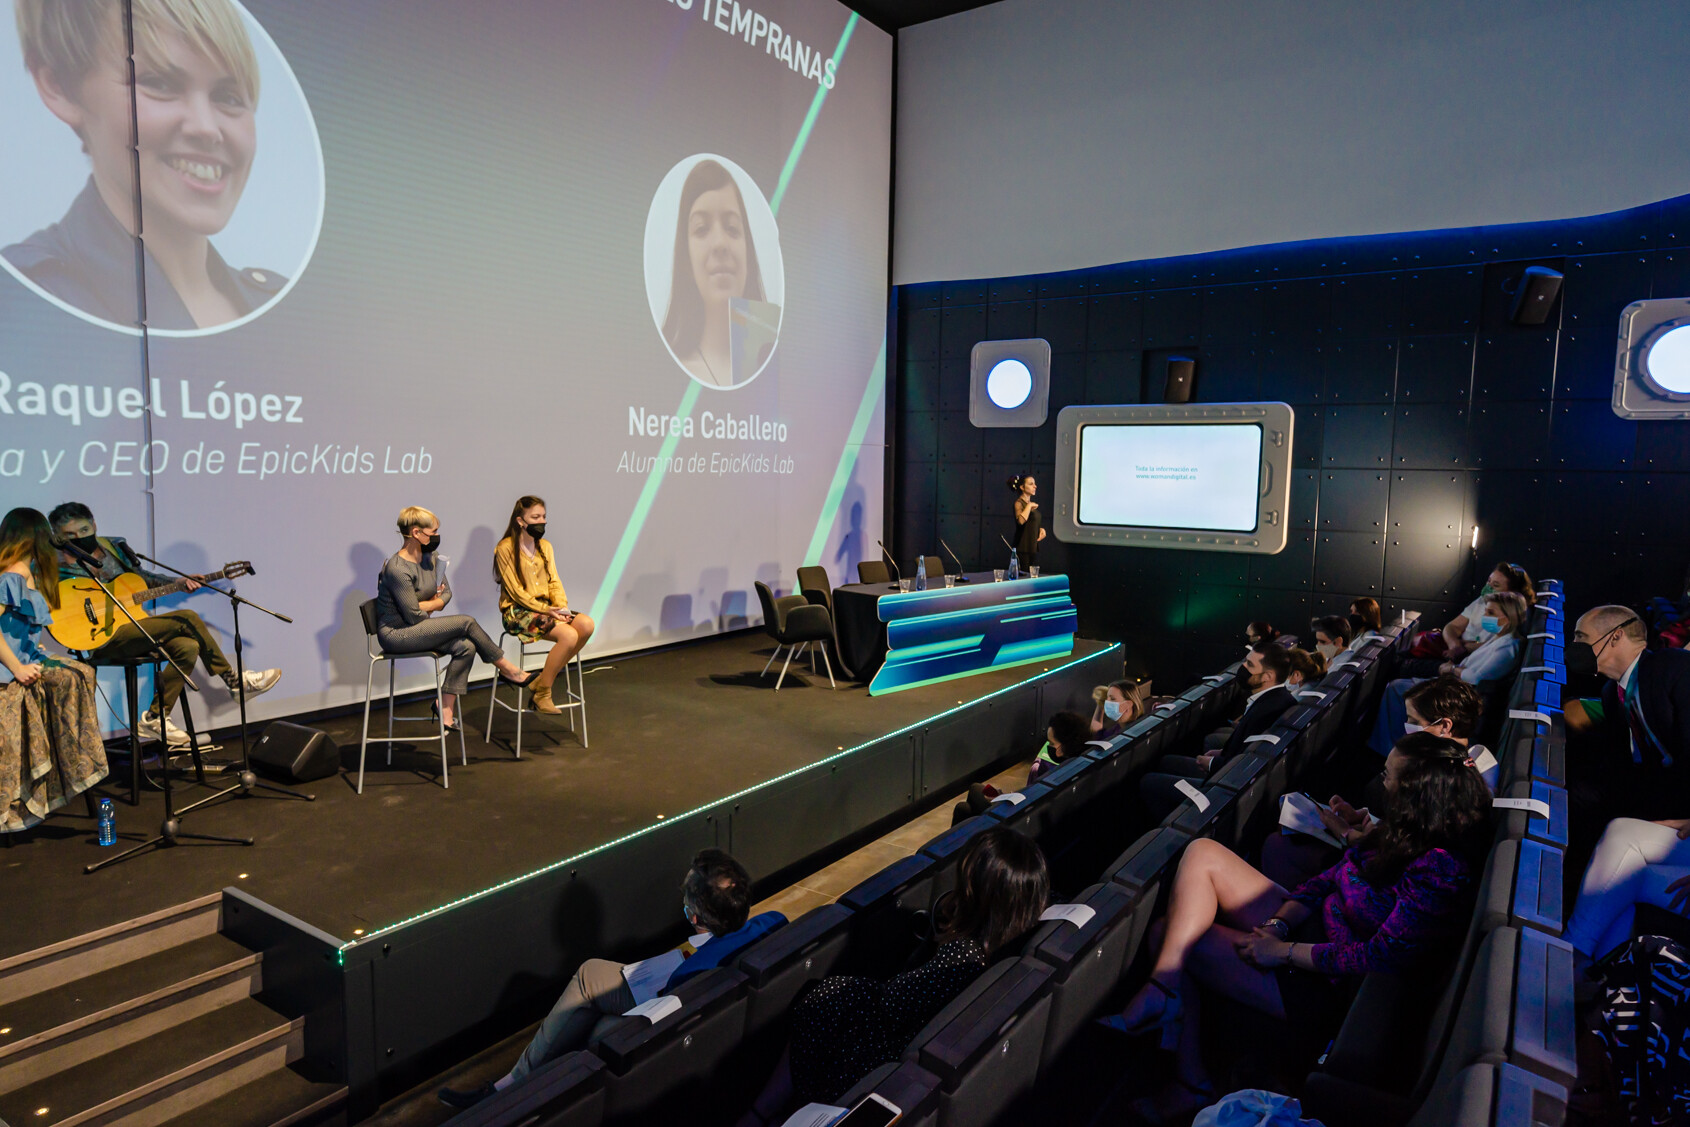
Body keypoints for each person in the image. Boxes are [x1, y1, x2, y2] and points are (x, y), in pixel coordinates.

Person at [1102, 733, 1490, 1123]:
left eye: (1389, 775)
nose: (1382, 779)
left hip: (1331, 981)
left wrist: (1282, 952)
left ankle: (1191, 1081)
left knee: (1165, 936)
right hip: (1318, 928)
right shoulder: (1406, 828)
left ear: (1415, 792)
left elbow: (1378, 957)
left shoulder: (1441, 866)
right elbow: (1333, 876)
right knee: (1201, 854)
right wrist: (1279, 924)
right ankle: (1163, 990)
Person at [740, 827, 1050, 1122]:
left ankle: (762, 1113)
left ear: (977, 898)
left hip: (878, 1060)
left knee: (818, 1004)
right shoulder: (1002, 947)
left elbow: (891, 1002)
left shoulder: (962, 954)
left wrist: (935, 938)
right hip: (906, 1043)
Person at [6, 0, 282, 329]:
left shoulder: (291, 314)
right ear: (61, 87)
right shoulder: (14, 302)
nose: (206, 127)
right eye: (160, 84)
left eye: (228, 97)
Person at [439, 849, 786, 1108]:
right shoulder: (773, 920)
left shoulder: (689, 973)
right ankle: (519, 1090)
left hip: (668, 1027)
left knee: (589, 1020)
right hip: (704, 996)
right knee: (590, 983)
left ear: (694, 917)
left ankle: (510, 1091)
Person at [49, 501, 279, 749]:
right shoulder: (49, 561)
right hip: (99, 638)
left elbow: (144, 580)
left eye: (84, 531)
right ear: (57, 536)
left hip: (132, 628)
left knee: (188, 646)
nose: (79, 538)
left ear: (94, 525)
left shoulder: (113, 547)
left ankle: (155, 718)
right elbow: (41, 598)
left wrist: (179, 581)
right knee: (187, 617)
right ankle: (234, 682)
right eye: (69, 535)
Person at [1265, 676, 1487, 890]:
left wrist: (1347, 833)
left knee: (1278, 845)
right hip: (1374, 843)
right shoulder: (1447, 760)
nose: (1406, 726)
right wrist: (1362, 816)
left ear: (1445, 726)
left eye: (1413, 721)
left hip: (1378, 872)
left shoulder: (1447, 775)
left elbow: (1408, 846)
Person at [375, 506, 534, 731]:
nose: (437, 537)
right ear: (416, 533)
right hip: (396, 633)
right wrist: (426, 605)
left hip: (418, 626)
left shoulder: (432, 558)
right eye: (433, 532)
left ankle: (444, 708)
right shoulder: (397, 568)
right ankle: (506, 668)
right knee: (466, 622)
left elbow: (446, 594)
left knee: (467, 646)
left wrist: (427, 604)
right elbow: (411, 617)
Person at [1, 508, 107, 832]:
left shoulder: (27, 569)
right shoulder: (11, 574)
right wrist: (17, 667)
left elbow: (19, 626)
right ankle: (67, 768)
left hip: (28, 659)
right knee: (75, 677)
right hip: (9, 669)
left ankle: (72, 766)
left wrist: (35, 650)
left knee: (80, 673)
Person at [1140, 646, 1296, 822]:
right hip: (1227, 766)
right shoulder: (1277, 698)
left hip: (1222, 790)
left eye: (1249, 665)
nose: (1243, 667)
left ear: (1268, 676)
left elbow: (1243, 767)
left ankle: (1173, 830)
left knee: (1148, 782)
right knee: (1166, 761)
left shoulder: (1268, 711)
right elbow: (1245, 747)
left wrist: (1213, 763)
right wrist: (1222, 753)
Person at [1566, 605, 1690, 824]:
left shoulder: (1674, 668)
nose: (1575, 646)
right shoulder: (1611, 693)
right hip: (1648, 786)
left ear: (1615, 636)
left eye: (1581, 636)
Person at [661, 159, 776, 388]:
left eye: (732, 228)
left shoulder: (780, 367)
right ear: (686, 258)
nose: (720, 243)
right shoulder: (666, 373)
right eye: (702, 229)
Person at [1369, 592, 1526, 755]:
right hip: (1454, 684)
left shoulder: (1508, 648)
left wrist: (1451, 669)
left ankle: (1388, 750)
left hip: (1459, 696)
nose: (1485, 616)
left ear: (1508, 618)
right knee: (1399, 684)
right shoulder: (1498, 639)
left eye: (1491, 613)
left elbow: (1475, 677)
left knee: (1396, 688)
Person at [492, 496, 596, 715]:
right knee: (568, 635)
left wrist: (561, 609)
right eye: (535, 517)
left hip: (547, 608)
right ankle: (543, 693)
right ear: (521, 521)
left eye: (544, 517)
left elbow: (554, 581)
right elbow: (515, 592)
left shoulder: (545, 547)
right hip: (518, 612)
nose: (542, 521)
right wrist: (547, 611)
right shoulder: (505, 548)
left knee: (586, 624)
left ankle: (540, 680)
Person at [951, 711, 1093, 825]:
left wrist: (1003, 800)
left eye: (1050, 742)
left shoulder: (1051, 774)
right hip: (1028, 814)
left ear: (1061, 748)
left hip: (1020, 823)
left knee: (972, 794)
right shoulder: (1078, 763)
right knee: (964, 809)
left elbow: (1031, 808)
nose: (1047, 746)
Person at [1436, 562, 1535, 662]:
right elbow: (1453, 626)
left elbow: (1499, 646)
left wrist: (1465, 648)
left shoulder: (1516, 614)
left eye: (1495, 585)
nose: (1488, 587)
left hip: (1475, 659)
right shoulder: (1481, 600)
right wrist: (1454, 645)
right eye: (1489, 581)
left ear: (1512, 594)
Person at [1008, 474, 1045, 566]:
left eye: (1034, 484)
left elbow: (1031, 523)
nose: (1035, 486)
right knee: (1024, 576)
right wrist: (1029, 506)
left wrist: (1040, 529)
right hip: (1022, 547)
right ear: (1022, 487)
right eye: (1031, 484)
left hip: (1032, 547)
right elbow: (1021, 521)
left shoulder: (1030, 504)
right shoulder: (1019, 503)